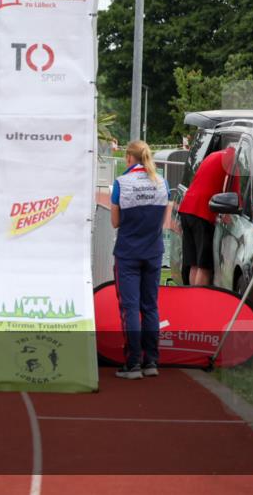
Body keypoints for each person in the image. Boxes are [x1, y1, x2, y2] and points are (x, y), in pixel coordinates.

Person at [110, 140, 170, 379]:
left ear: (128, 158)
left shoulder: (121, 183)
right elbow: (162, 219)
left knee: (131, 308)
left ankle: (133, 363)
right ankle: (151, 361)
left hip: (127, 253)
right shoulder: (161, 182)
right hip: (153, 251)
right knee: (151, 306)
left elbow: (115, 221)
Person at [177, 146, 237, 286]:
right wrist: (228, 214)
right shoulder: (232, 159)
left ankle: (191, 300)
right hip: (202, 213)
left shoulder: (212, 155)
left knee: (194, 264)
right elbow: (234, 191)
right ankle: (199, 302)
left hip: (187, 208)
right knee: (204, 267)